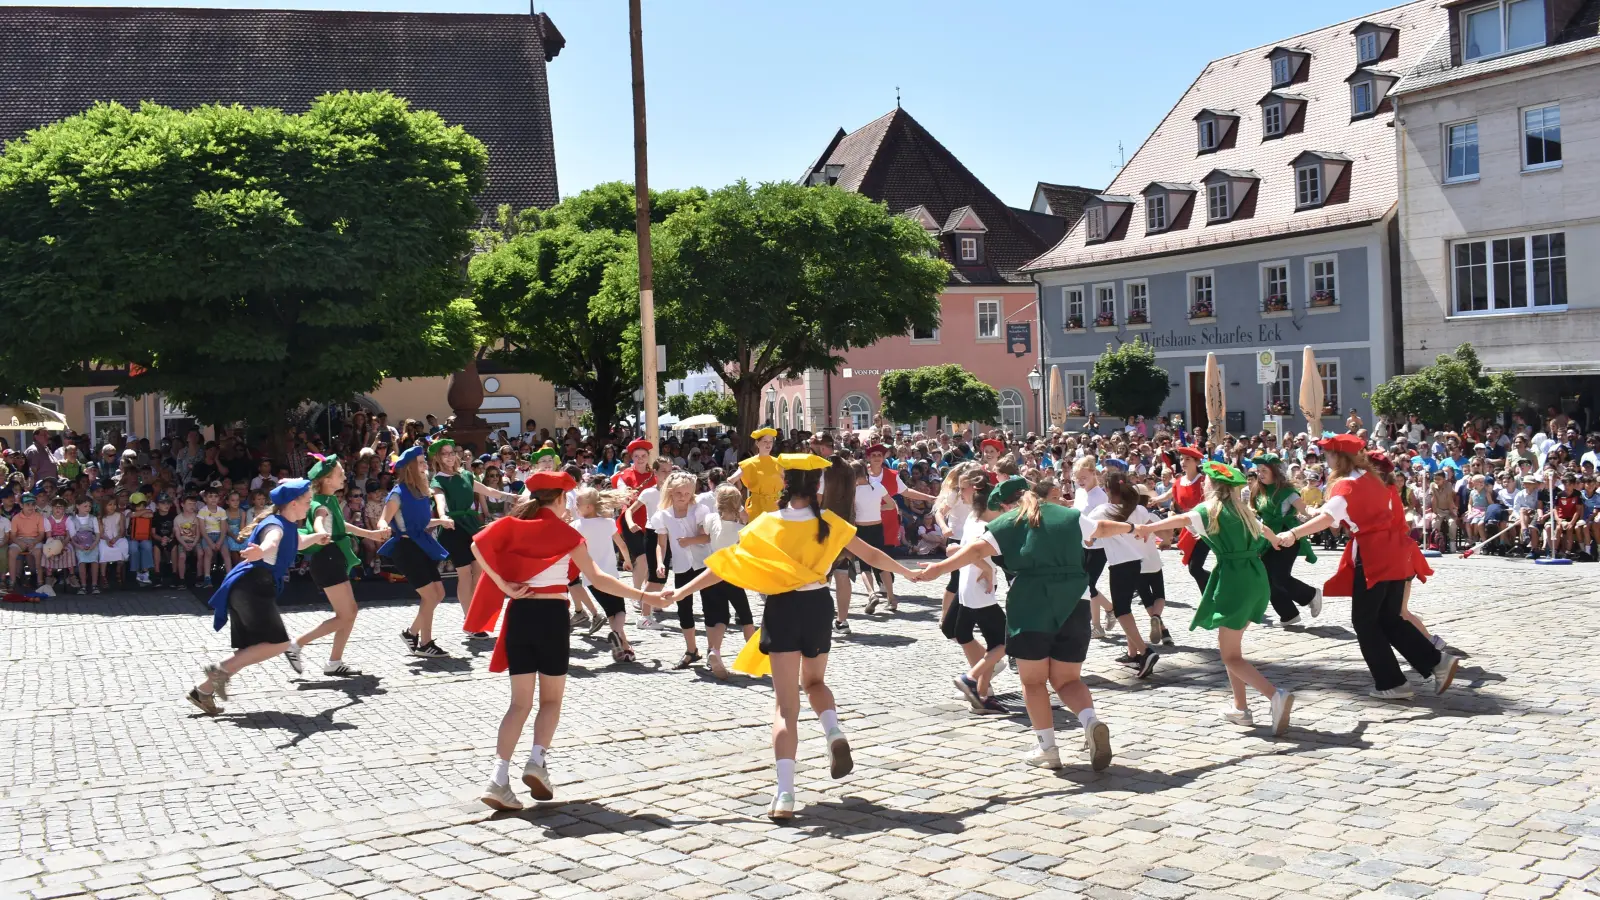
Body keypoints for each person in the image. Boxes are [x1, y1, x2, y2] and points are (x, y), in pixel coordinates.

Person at [658, 454, 919, 819]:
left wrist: (681, 592)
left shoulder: (767, 523)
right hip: (817, 605)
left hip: (782, 609)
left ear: (783, 485)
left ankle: (785, 793)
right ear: (817, 487)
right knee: (815, 682)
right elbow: (872, 554)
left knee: (784, 707)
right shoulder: (829, 522)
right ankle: (832, 730)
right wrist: (910, 575)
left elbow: (725, 565)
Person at [466, 471, 658, 810]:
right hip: (553, 618)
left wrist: (504, 584)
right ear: (558, 499)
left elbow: (476, 545)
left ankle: (498, 779)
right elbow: (598, 578)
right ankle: (537, 762)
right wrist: (643, 595)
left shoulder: (512, 525)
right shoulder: (567, 534)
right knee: (551, 700)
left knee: (518, 704)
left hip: (520, 615)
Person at [916, 476, 1134, 772]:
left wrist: (939, 569)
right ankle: (1090, 722)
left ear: (1006, 504)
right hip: (1075, 601)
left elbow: (977, 550)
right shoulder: (1069, 515)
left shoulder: (1007, 523)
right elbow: (1101, 529)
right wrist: (1136, 527)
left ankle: (1048, 749)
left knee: (1033, 682)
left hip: (1031, 604)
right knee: (1068, 679)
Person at [1275, 435, 1459, 700]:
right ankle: (1435, 662)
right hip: (1394, 552)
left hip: (1375, 554)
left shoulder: (1346, 485)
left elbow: (1330, 519)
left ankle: (1393, 682)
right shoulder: (1371, 479)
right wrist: (1320, 515)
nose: (1326, 459)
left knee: (1365, 621)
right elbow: (1339, 514)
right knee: (1389, 617)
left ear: (1339, 457)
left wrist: (1293, 534)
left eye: (1328, 454)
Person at [1139, 462, 1295, 734]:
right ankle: (1240, 709)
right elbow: (1268, 534)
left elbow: (1180, 520)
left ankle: (1275, 695)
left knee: (1231, 655)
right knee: (1232, 650)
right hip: (1256, 578)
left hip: (1234, 580)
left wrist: (1147, 528)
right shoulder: (1243, 510)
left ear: (1212, 485)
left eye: (1207, 481)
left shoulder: (1210, 509)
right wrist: (1279, 541)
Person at [186, 479, 331, 715]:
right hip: (251, 586)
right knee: (281, 643)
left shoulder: (287, 524)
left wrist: (317, 537)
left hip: (251, 587)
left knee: (252, 648)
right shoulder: (276, 526)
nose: (310, 505)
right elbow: (271, 541)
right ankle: (210, 680)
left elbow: (296, 542)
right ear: (293, 503)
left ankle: (203, 691)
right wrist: (260, 551)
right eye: (307, 502)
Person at [283, 455, 392, 677]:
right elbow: (319, 521)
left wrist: (371, 534)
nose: (344, 476)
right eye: (340, 474)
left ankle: (334, 661)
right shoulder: (321, 502)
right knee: (346, 614)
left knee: (349, 612)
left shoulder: (330, 499)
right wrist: (320, 532)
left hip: (333, 558)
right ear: (326, 479)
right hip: (327, 559)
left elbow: (344, 526)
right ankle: (296, 645)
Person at [428, 439, 518, 635]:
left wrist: (513, 498)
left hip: (471, 526)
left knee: (479, 572)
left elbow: (488, 491)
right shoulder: (438, 480)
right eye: (444, 453)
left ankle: (475, 614)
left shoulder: (467, 475)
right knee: (464, 574)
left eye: (452, 452)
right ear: (438, 458)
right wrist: (443, 516)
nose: (450, 456)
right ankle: (470, 621)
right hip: (452, 528)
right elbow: (439, 499)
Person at [377, 446, 457, 659]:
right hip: (406, 548)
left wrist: (441, 521)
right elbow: (384, 519)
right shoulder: (398, 493)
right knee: (430, 596)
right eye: (421, 462)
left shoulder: (421, 491)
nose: (425, 466)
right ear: (411, 467)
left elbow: (420, 523)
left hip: (422, 544)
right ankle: (416, 636)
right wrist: (383, 526)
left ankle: (423, 642)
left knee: (438, 594)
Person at [1081, 470, 1161, 678]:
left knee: (1122, 611)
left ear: (1107, 489)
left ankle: (1145, 652)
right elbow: (1150, 527)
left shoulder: (1102, 510)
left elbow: (1087, 537)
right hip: (1138, 563)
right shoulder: (1139, 509)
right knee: (1126, 608)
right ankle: (1133, 653)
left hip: (1120, 565)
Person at [947, 479, 1009, 713]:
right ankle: (972, 680)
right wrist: (987, 569)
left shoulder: (976, 520)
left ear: (976, 491)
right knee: (1006, 640)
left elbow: (961, 550)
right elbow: (968, 552)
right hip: (979, 588)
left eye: (963, 488)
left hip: (971, 587)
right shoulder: (979, 522)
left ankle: (982, 696)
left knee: (979, 637)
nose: (959, 492)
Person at [1250, 453, 1322, 626]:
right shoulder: (1257, 490)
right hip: (1267, 538)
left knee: (1279, 576)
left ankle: (1311, 594)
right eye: (1258, 471)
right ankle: (1289, 615)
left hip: (1287, 537)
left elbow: (1304, 510)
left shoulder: (1287, 491)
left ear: (1274, 471)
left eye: (1264, 470)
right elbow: (1253, 510)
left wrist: (1317, 513)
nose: (1260, 474)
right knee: (1267, 578)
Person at [651, 472, 713, 670]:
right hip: (681, 565)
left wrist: (690, 541)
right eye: (679, 493)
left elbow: (707, 538)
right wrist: (660, 562)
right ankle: (691, 650)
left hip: (702, 563)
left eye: (687, 493)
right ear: (671, 492)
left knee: (709, 607)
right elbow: (661, 544)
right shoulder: (663, 515)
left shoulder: (699, 510)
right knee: (683, 607)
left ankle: (713, 651)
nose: (683, 497)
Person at [571, 485, 638, 664]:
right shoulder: (608, 523)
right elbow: (622, 545)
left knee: (610, 612)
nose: (575, 505)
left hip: (591, 577)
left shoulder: (576, 525)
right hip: (610, 574)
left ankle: (624, 647)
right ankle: (617, 636)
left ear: (590, 506)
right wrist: (627, 561)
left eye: (578, 502)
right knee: (620, 610)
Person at [1151, 446, 1209, 593]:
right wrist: (1154, 499)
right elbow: (1169, 494)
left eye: (1188, 459)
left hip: (1206, 528)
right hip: (1190, 527)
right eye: (1182, 459)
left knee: (1195, 568)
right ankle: (1211, 594)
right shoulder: (1180, 481)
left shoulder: (1203, 480)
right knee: (1194, 567)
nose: (1183, 462)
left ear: (1196, 462)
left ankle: (1211, 595)